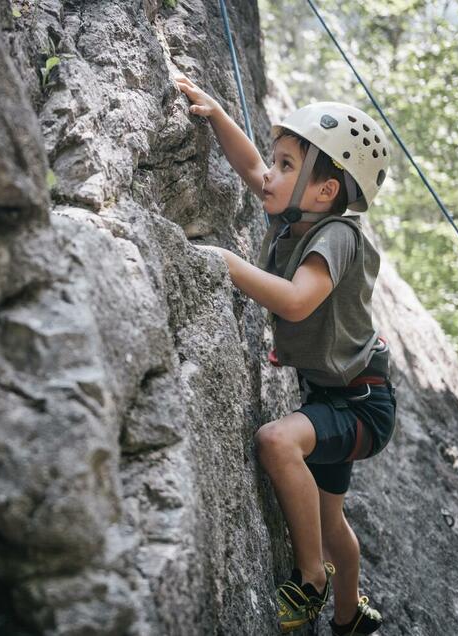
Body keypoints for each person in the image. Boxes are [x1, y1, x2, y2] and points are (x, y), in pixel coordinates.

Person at [175, 75, 396, 635]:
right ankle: (350, 619)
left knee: (277, 442)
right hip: (335, 392)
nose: (270, 175)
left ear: (326, 192)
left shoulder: (337, 237)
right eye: (277, 162)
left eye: (287, 165)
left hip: (361, 403)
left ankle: (312, 580)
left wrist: (228, 261)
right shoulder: (298, 214)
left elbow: (298, 303)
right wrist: (219, 115)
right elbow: (252, 170)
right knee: (330, 520)